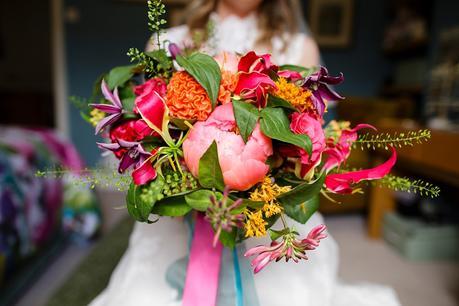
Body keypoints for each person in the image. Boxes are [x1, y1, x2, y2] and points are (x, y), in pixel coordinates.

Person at [90, 1, 400, 305]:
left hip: (267, 213)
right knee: (143, 296)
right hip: (183, 212)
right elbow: (146, 127)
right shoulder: (166, 39)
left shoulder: (300, 47)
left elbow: (306, 134)